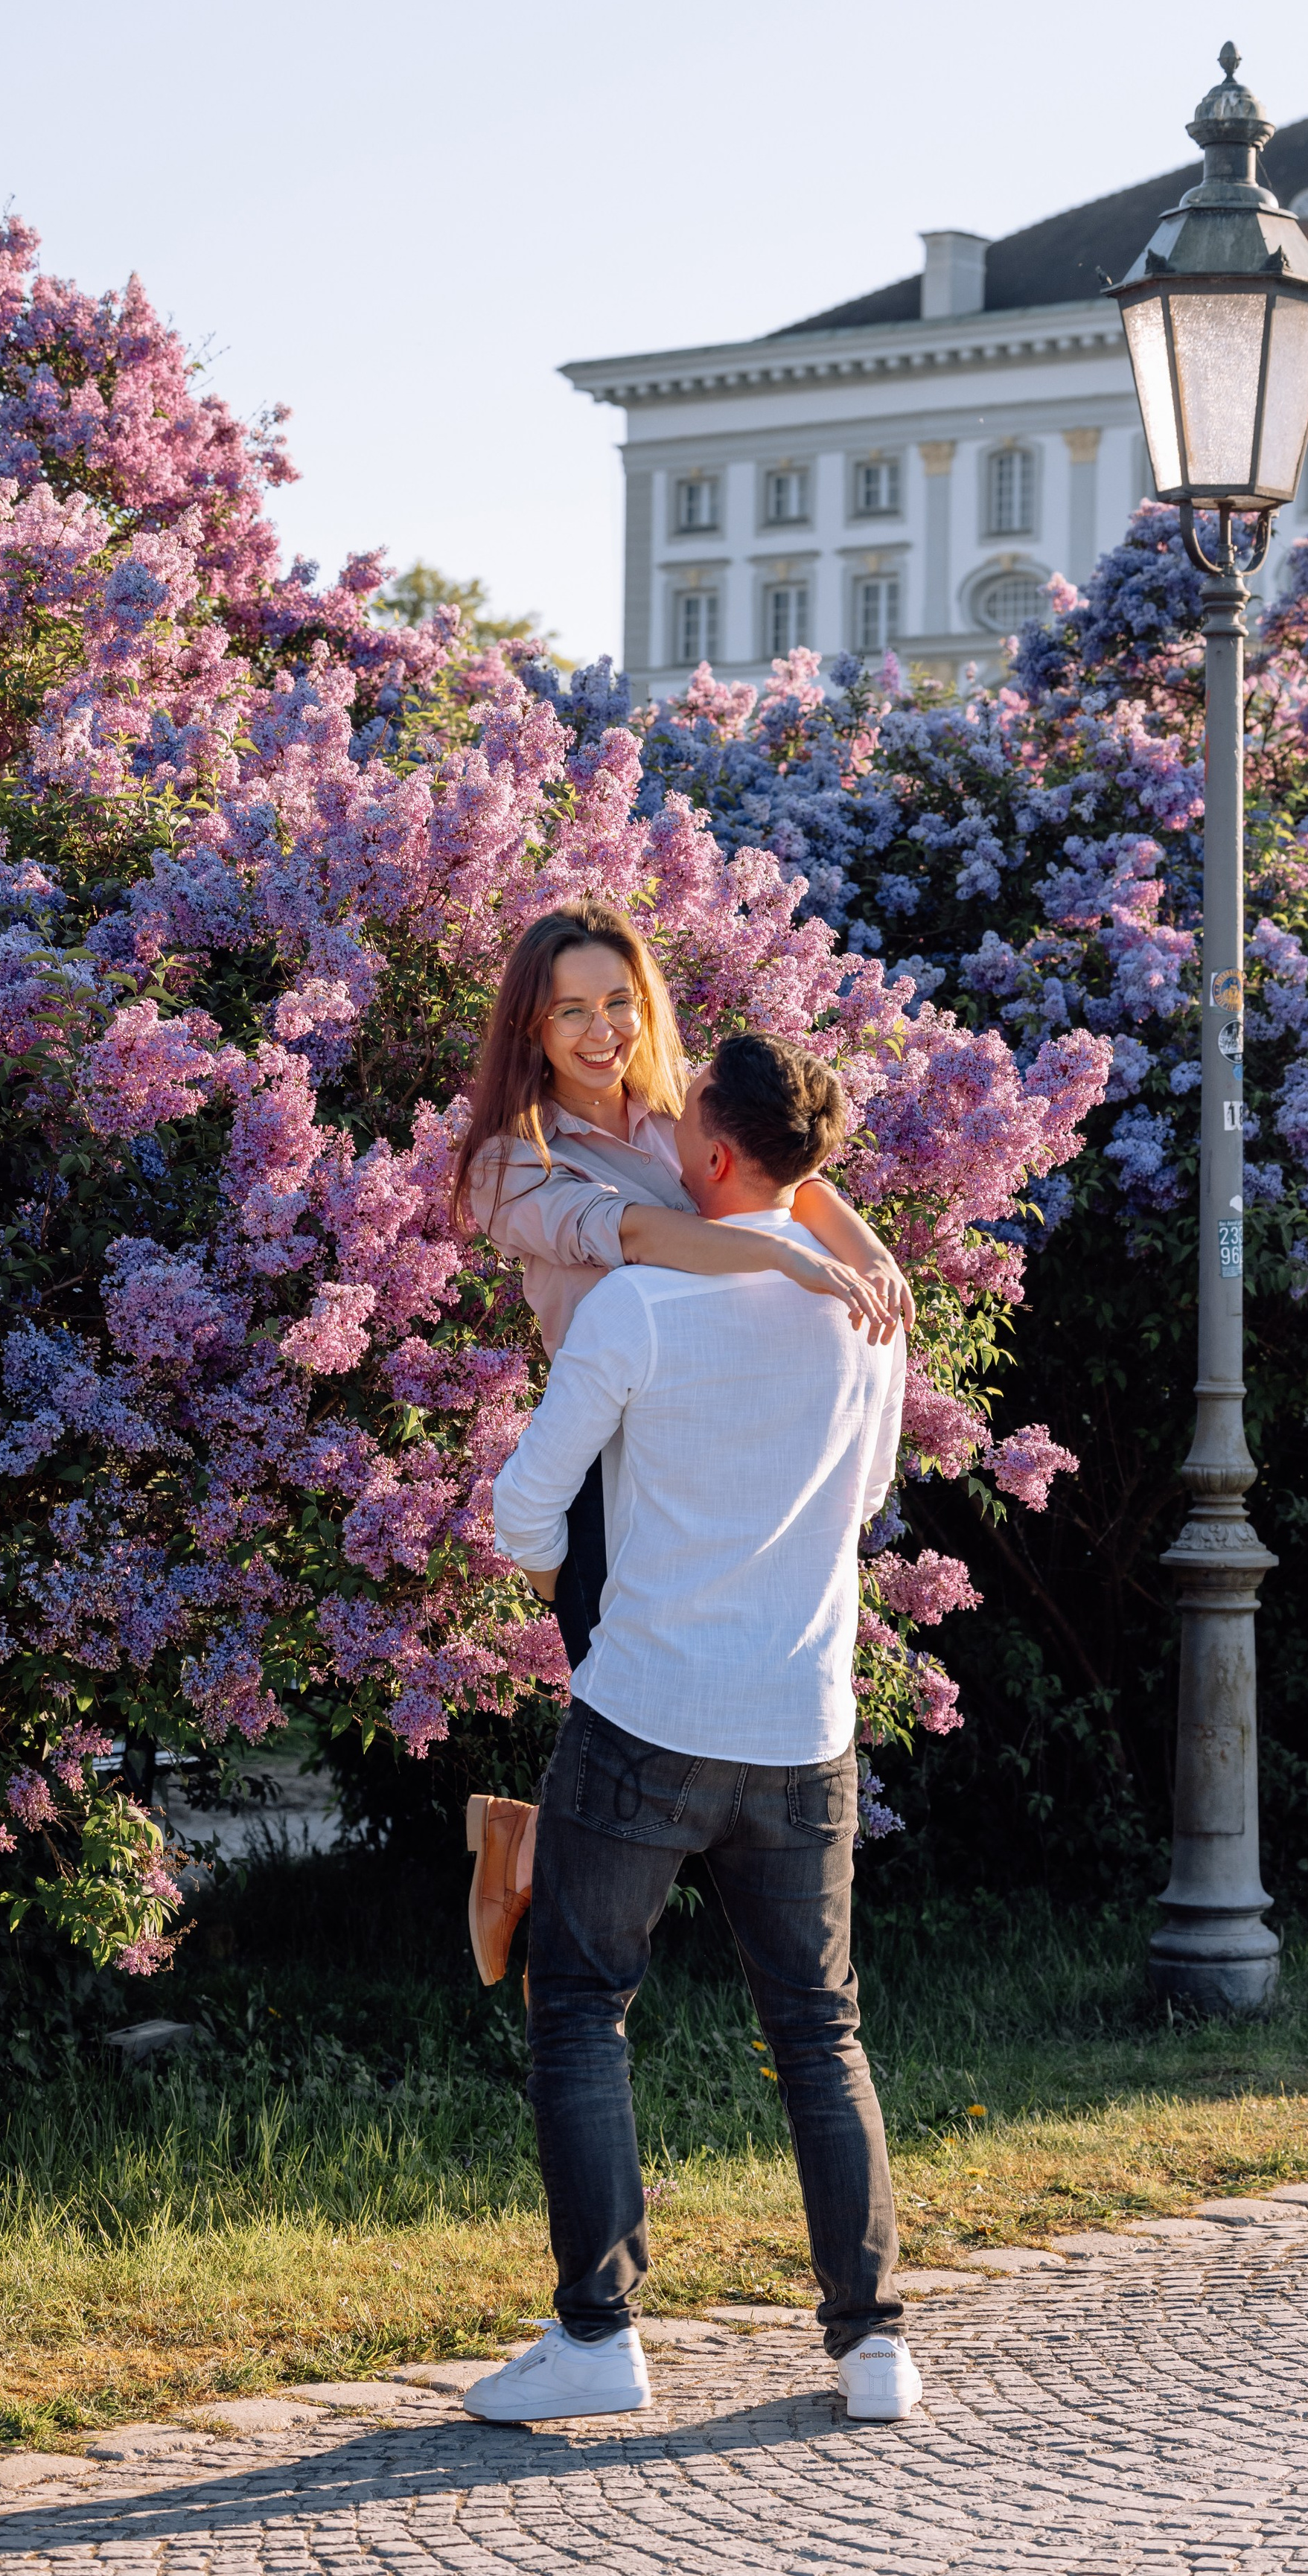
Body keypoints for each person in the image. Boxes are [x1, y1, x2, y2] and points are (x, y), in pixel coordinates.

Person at [459, 1029, 922, 2429]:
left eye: (679, 1131)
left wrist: (603, 1579)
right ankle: (872, 2341)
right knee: (818, 2026)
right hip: (804, 1723)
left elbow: (518, 1518)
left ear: (713, 1154)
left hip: (645, 1715)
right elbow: (868, 1494)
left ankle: (599, 2335)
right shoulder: (866, 1311)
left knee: (581, 2004)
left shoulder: (637, 1306)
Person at [450, 900, 913, 1987]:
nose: (602, 1028)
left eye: (619, 1000)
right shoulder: (509, 1164)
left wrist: (866, 1252)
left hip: (704, 1446)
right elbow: (639, 1235)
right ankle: (535, 1877)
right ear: (531, 1027)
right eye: (572, 1010)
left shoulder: (679, 1108)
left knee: (681, 1743)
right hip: (602, 1476)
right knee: (636, 1741)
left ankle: (529, 1851)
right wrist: (777, 1258)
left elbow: (793, 1175)